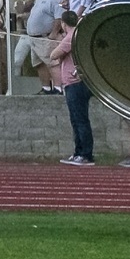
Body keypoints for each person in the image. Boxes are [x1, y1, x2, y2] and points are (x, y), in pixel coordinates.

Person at [47, 11, 92, 165]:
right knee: (76, 119)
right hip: (75, 83)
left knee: (80, 120)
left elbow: (53, 55)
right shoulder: (79, 34)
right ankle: (79, 152)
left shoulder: (70, 36)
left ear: (63, 24)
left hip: (74, 83)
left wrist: (59, 44)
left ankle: (85, 154)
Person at [17, 0, 63, 95]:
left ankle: (58, 89)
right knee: (38, 63)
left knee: (52, 63)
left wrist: (53, 34)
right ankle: (46, 88)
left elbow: (59, 17)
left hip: (46, 37)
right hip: (34, 39)